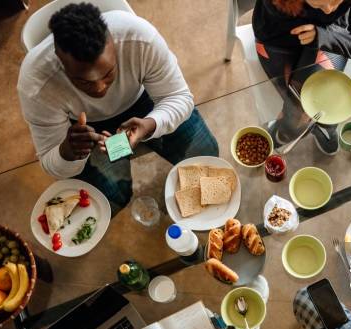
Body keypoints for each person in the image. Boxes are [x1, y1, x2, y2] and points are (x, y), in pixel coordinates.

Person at [18, 3, 218, 215]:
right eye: (83, 82)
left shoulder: (140, 39)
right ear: (59, 61)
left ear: (114, 43)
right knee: (110, 200)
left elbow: (178, 97)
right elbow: (52, 164)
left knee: (205, 152)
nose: (100, 88)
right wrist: (68, 151)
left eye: (108, 74)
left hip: (144, 101)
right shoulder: (36, 86)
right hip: (83, 129)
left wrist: (150, 125)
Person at [252, 0, 351, 155]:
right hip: (277, 38)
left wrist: (323, 36)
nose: (329, 10)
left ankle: (313, 127)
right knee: (299, 110)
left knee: (313, 104)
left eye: (336, 1)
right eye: (320, 4)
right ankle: (291, 130)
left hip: (329, 31)